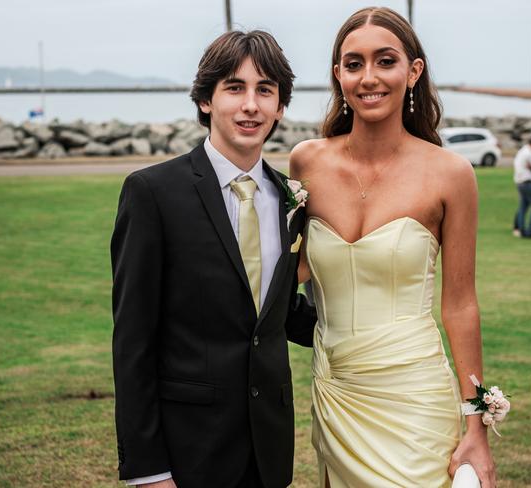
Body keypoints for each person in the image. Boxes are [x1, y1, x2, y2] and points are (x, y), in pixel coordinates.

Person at [290, 7, 495, 488]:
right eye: (353, 64)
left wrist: (477, 426)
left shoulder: (451, 174)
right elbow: (290, 272)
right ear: (338, 75)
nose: (369, 78)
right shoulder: (307, 163)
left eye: (385, 61)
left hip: (415, 394)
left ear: (413, 71)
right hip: (337, 395)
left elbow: (461, 305)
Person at [111, 30, 316, 488]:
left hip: (269, 449)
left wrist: (376, 328)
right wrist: (148, 470)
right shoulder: (152, 193)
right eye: (234, 87)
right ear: (206, 99)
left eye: (265, 90)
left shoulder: (292, 199)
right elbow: (133, 342)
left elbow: (278, 313)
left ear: (280, 107)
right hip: (189, 452)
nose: (251, 105)